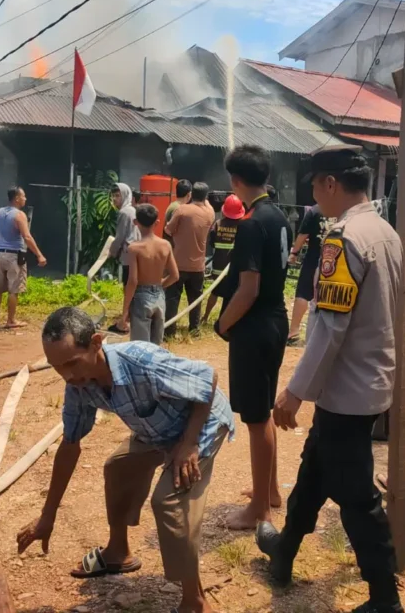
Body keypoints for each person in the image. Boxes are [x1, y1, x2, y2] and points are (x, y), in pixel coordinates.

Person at [256, 145, 404, 613]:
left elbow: (330, 326)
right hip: (369, 380)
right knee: (315, 468)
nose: (315, 196)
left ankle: (385, 597)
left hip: (347, 388)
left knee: (357, 497)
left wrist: (295, 392)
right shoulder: (385, 232)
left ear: (331, 184)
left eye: (316, 185)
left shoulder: (343, 239)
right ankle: (283, 553)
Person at [16, 307, 234, 613]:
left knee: (169, 502)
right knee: (118, 468)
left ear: (96, 343)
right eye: (57, 367)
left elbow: (207, 379)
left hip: (200, 424)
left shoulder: (141, 361)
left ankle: (194, 601)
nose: (67, 375)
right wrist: (47, 516)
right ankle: (118, 551)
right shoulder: (79, 384)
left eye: (72, 363)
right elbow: (70, 445)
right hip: (157, 428)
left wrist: (188, 444)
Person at [215, 145, 289, 530]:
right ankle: (271, 490)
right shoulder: (278, 216)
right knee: (263, 412)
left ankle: (259, 509)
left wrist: (224, 323)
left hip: (255, 325)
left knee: (256, 419)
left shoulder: (249, 223)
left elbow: (248, 289)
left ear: (236, 181)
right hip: (277, 321)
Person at [0, 186, 46, 329]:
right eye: (23, 196)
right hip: (14, 256)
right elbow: (27, 237)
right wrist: (39, 255)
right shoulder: (19, 215)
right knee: (14, 289)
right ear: (17, 198)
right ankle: (11, 320)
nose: (25, 199)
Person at [116, 204, 178, 344]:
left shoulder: (134, 248)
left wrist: (125, 311)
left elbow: (133, 281)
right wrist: (160, 285)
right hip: (160, 297)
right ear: (157, 222)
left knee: (140, 347)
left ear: (135, 222)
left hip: (141, 298)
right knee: (156, 346)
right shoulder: (165, 245)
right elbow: (175, 275)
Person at [165, 181, 215, 338]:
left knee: (172, 298)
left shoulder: (182, 210)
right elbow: (209, 207)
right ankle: (194, 329)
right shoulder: (209, 214)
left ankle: (169, 331)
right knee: (195, 299)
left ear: (191, 194)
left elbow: (168, 229)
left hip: (178, 263)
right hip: (198, 265)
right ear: (206, 197)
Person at [286, 204, 333, 346]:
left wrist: (294, 253)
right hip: (335, 259)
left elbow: (302, 235)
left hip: (314, 258)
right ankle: (326, 335)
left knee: (303, 292)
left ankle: (293, 333)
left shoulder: (315, 211)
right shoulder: (342, 208)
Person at [202, 194, 244, 325]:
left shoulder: (218, 224)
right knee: (233, 295)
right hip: (234, 268)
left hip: (218, 266)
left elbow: (212, 243)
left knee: (214, 292)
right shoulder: (242, 226)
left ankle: (205, 317)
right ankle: (229, 319)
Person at [108, 183, 140, 288]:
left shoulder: (124, 212)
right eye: (113, 196)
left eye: (118, 195)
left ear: (125, 195)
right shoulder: (131, 210)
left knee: (128, 286)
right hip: (135, 252)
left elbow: (120, 237)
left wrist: (111, 251)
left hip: (128, 253)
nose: (114, 199)